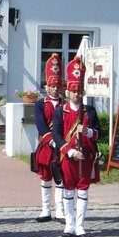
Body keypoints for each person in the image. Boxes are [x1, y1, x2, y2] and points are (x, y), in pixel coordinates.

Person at [52, 56, 100, 237]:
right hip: (68, 157)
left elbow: (98, 134)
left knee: (83, 191)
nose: (77, 94)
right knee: (68, 190)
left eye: (79, 91)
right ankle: (69, 226)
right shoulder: (60, 111)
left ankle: (80, 226)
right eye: (73, 91)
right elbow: (56, 135)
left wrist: (87, 131)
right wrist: (69, 151)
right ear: (67, 91)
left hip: (86, 157)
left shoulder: (90, 111)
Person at [33, 53, 65, 223]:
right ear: (46, 86)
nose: (55, 89)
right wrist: (51, 141)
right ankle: (46, 209)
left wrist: (61, 143)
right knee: (45, 177)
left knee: (60, 178)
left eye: (57, 86)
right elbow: (41, 124)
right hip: (46, 145)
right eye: (52, 86)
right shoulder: (40, 103)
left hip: (61, 147)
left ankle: (60, 210)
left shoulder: (65, 104)